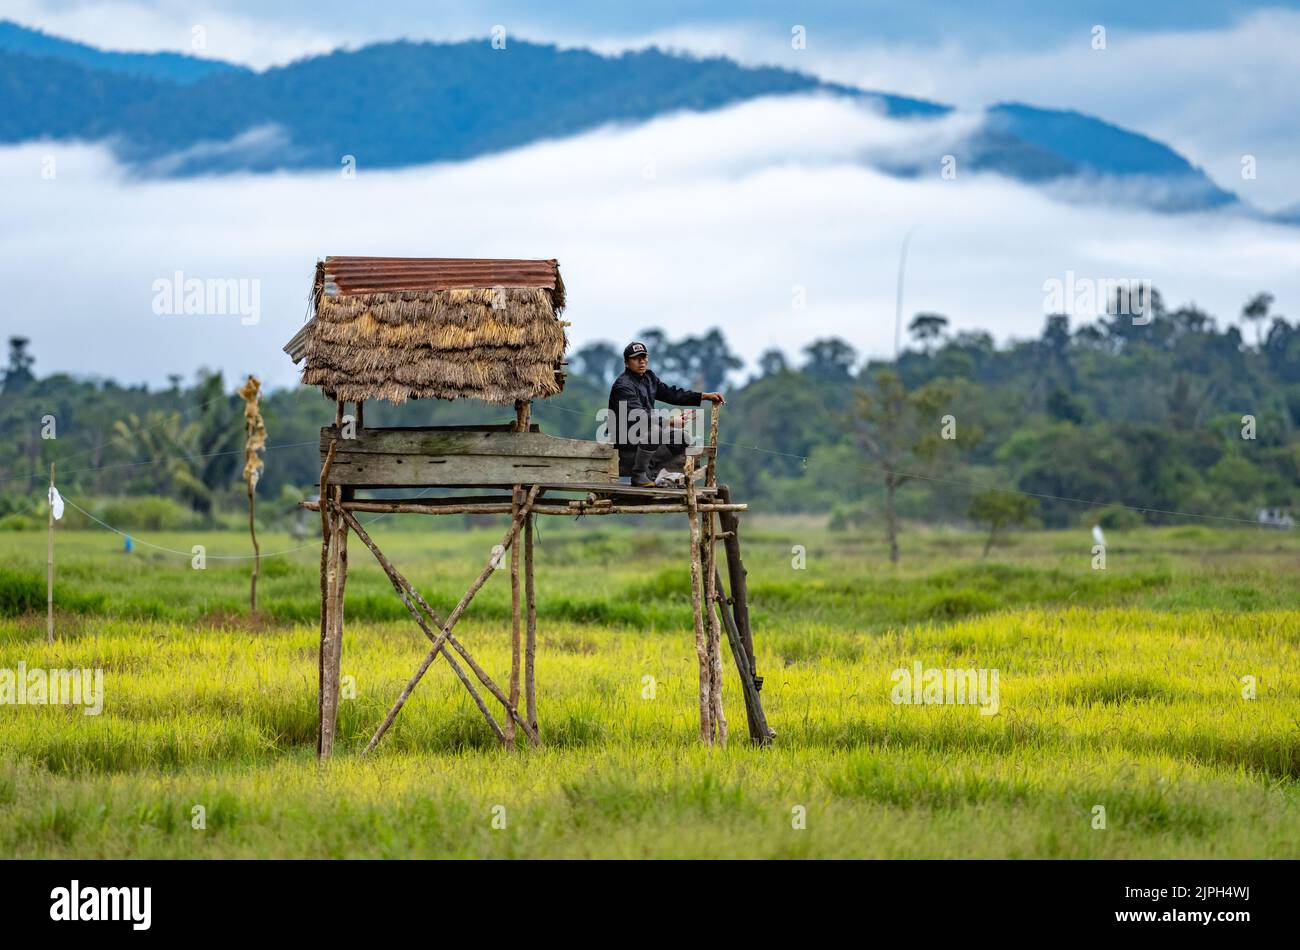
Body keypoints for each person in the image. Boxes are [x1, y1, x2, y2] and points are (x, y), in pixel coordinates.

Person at [607, 341, 725, 486]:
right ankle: (638, 475)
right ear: (626, 362)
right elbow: (641, 417)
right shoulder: (623, 386)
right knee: (656, 430)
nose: (641, 361)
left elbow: (672, 394)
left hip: (646, 434)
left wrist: (705, 396)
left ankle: (649, 468)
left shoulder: (649, 378)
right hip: (626, 438)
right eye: (636, 358)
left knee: (682, 437)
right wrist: (670, 421)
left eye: (644, 357)